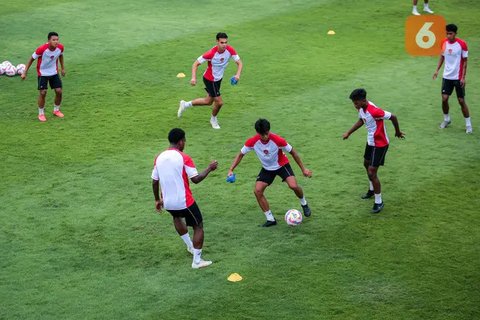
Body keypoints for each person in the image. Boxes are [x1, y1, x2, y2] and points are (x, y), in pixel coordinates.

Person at [151, 128, 218, 269]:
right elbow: (196, 179)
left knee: (177, 218)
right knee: (198, 226)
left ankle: (190, 246)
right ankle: (197, 261)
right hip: (184, 201)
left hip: (168, 202)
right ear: (181, 141)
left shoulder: (159, 157)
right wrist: (209, 168)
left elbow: (155, 181)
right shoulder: (184, 157)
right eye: (184, 141)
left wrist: (157, 200)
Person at [227, 119, 312, 227]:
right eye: (262, 135)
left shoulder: (278, 140)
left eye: (267, 133)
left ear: (269, 130)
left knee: (293, 186)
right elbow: (240, 154)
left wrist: (303, 169)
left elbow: (293, 152)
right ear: (258, 133)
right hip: (267, 169)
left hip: (282, 165)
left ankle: (304, 203)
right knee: (257, 191)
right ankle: (270, 219)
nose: (265, 137)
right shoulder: (252, 142)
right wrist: (231, 169)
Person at [342, 89, 405, 214]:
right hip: (371, 141)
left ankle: (379, 201)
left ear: (363, 100)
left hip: (380, 144)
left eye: (356, 103)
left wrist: (397, 131)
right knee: (366, 163)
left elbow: (393, 117)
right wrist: (349, 132)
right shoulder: (361, 109)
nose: (355, 106)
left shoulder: (374, 111)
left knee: (372, 172)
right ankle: (371, 190)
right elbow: (362, 120)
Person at [177, 32, 243, 129]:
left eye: (226, 42)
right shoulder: (211, 54)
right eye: (222, 42)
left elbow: (239, 63)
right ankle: (213, 119)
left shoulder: (230, 50)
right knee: (219, 102)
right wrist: (193, 77)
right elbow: (195, 64)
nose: (224, 45)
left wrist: (237, 75)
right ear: (217, 42)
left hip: (218, 79)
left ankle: (185, 104)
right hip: (210, 79)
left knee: (208, 101)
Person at [433, 24, 472, 134]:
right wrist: (437, 70)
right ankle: (446, 119)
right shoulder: (444, 42)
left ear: (455, 34)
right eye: (447, 33)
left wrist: (463, 77)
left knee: (461, 101)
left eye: (451, 33)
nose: (448, 36)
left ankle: (468, 124)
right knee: (444, 99)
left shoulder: (462, 44)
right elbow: (442, 56)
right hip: (447, 76)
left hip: (458, 77)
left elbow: (465, 61)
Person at [21, 32, 66, 122]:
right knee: (43, 93)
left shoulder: (60, 47)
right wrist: (24, 72)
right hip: (43, 73)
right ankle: (41, 114)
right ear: (48, 41)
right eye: (53, 40)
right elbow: (31, 59)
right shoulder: (41, 49)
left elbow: (60, 55)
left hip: (54, 72)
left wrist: (63, 68)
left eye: (57, 40)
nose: (56, 42)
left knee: (59, 91)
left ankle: (56, 110)